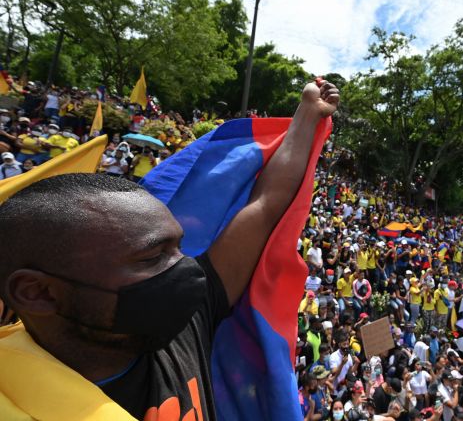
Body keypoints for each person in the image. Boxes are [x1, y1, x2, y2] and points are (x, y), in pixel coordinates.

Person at [0, 79, 340, 420]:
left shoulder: (185, 325)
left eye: (179, 247)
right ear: (37, 292)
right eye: (152, 257)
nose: (186, 268)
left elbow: (266, 204)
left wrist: (307, 114)